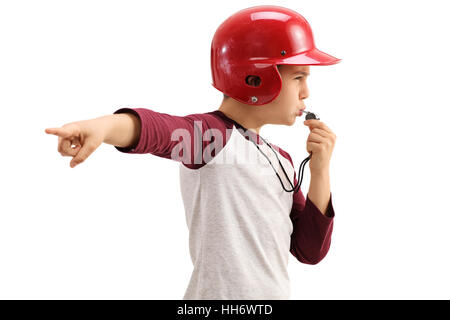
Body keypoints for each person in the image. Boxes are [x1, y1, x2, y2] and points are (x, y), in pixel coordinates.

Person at [45, 5, 340, 299]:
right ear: (256, 77)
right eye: (298, 77)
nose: (306, 92)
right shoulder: (213, 138)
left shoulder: (283, 161)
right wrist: (104, 127)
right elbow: (159, 131)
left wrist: (320, 171)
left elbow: (309, 250)